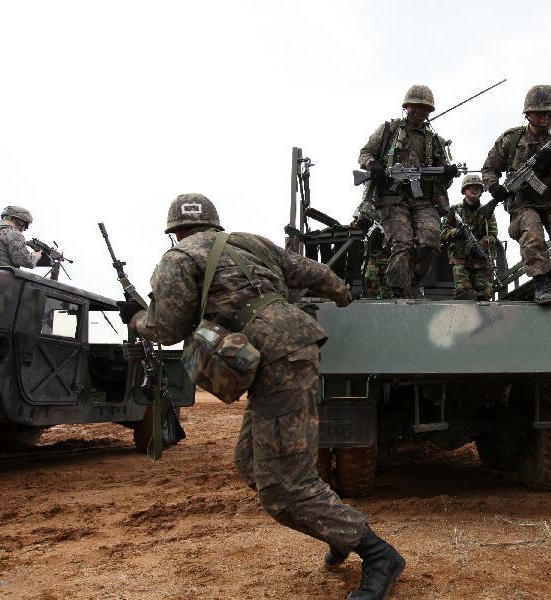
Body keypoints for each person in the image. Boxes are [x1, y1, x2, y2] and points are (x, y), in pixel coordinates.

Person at [118, 193, 405, 600]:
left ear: (175, 232)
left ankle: (378, 555)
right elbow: (314, 272)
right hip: (289, 350)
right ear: (215, 226)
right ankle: (337, 530)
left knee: (283, 486)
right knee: (250, 464)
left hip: (276, 361)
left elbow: (165, 329)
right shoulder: (251, 242)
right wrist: (344, 295)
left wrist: (134, 315)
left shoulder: (178, 258)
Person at [481, 84, 551, 306]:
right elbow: (489, 168)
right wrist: (494, 188)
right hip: (523, 203)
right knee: (531, 232)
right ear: (528, 114)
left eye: (550, 113)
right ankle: (542, 284)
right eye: (540, 113)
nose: (546, 117)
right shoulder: (511, 139)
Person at [358, 84, 459, 298]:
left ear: (429, 112)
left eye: (423, 108)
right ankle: (397, 290)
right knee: (402, 243)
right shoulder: (389, 130)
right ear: (406, 107)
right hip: (392, 198)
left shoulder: (434, 141)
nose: (418, 112)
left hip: (422, 200)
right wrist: (372, 165)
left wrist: (448, 173)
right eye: (414, 107)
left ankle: (414, 281)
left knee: (431, 240)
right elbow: (365, 153)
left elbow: (442, 181)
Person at [440, 174, 499, 300]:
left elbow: (493, 235)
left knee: (485, 296)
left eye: (477, 188)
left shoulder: (488, 212)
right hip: (461, 259)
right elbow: (443, 232)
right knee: (463, 294)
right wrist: (457, 232)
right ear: (464, 191)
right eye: (470, 187)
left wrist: (481, 244)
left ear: (482, 192)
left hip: (481, 259)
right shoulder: (454, 211)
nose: (474, 190)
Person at [352, 199, 392, 299]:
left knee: (388, 289)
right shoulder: (366, 206)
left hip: (388, 256)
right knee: (369, 282)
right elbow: (355, 224)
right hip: (371, 256)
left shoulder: (394, 210)